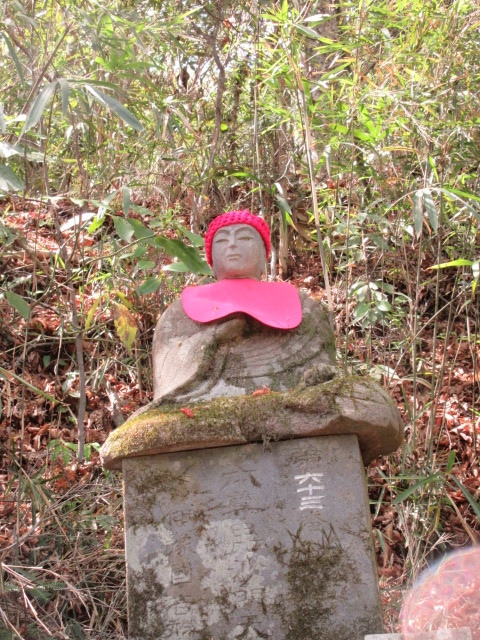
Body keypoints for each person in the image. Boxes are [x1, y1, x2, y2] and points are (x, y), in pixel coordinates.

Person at [152, 210, 336, 403]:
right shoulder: (181, 310)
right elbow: (167, 370)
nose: (232, 244)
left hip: (289, 400)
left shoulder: (302, 304)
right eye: (222, 241)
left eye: (245, 238)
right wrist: (213, 337)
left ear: (264, 255)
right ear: (211, 260)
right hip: (207, 402)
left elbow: (324, 373)